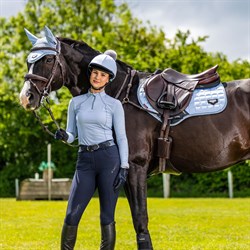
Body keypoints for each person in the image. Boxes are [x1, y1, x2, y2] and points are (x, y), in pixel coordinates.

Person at [54, 50, 129, 250]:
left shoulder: (114, 105)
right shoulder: (76, 102)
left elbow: (121, 137)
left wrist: (124, 166)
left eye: (103, 75)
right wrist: (64, 136)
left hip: (109, 160)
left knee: (106, 215)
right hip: (84, 161)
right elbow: (72, 134)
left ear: (108, 79)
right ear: (91, 73)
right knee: (72, 214)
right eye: (96, 72)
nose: (98, 77)